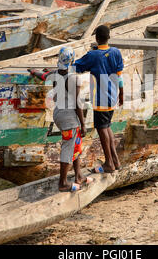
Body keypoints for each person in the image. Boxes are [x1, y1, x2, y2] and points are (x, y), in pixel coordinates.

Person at [29, 47, 92, 192]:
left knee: (76, 144)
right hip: (69, 117)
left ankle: (79, 176)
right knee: (68, 147)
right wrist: (83, 124)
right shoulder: (73, 78)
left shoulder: (55, 74)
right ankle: (63, 183)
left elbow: (43, 76)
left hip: (58, 114)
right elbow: (77, 103)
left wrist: (33, 71)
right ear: (71, 61)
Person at [74, 25, 124, 173]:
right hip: (113, 95)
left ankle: (109, 163)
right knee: (107, 126)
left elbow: (76, 66)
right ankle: (115, 160)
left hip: (101, 98)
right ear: (109, 37)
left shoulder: (93, 55)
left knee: (101, 128)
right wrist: (121, 94)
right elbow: (119, 76)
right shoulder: (116, 52)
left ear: (96, 39)